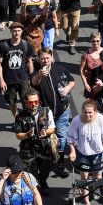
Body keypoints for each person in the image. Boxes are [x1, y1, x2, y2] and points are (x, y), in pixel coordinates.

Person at [30, 48, 75, 178]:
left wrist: (68, 88)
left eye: (47, 57)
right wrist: (39, 75)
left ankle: (60, 163)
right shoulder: (36, 73)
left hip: (62, 111)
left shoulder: (60, 69)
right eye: (42, 58)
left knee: (62, 138)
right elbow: (34, 82)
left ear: (51, 57)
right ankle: (44, 161)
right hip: (45, 113)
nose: (45, 60)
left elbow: (72, 81)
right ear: (39, 59)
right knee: (45, 138)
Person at [12, 88, 56, 193]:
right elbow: (18, 135)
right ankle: (34, 188)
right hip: (28, 149)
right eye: (31, 102)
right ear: (26, 103)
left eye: (36, 101)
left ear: (39, 100)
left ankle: (43, 181)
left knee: (47, 167)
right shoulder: (20, 116)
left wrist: (46, 132)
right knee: (30, 172)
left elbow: (52, 128)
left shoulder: (46, 111)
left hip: (45, 147)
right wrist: (27, 134)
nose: (34, 104)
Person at [0, 22, 33, 117]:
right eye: (14, 31)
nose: (16, 33)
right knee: (11, 102)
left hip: (23, 79)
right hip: (8, 80)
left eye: (19, 31)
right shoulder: (3, 45)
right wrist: (1, 81)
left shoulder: (26, 45)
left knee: (26, 100)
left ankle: (26, 118)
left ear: (22, 31)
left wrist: (31, 78)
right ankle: (17, 117)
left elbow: (29, 62)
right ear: (11, 31)